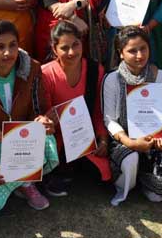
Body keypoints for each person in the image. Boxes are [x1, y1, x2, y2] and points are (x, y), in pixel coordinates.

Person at [0, 21, 60, 211]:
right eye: (0, 47)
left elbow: (38, 107)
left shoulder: (32, 68)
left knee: (47, 138)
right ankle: (18, 184)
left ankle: (25, 184)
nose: (8, 53)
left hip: (21, 137)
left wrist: (42, 120)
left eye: (13, 45)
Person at [102, 26, 162, 206]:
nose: (139, 55)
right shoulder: (112, 79)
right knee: (130, 158)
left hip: (154, 138)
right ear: (120, 53)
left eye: (143, 48)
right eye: (132, 51)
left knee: (157, 196)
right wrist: (130, 142)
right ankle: (126, 186)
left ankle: (146, 181)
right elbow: (109, 119)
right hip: (123, 139)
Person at [40, 21, 111, 196]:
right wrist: (50, 120)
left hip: (85, 136)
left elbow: (97, 111)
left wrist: (102, 139)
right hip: (59, 137)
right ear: (54, 49)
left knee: (104, 176)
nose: (71, 52)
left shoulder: (96, 70)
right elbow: (46, 114)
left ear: (82, 44)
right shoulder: (45, 73)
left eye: (76, 45)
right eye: (64, 48)